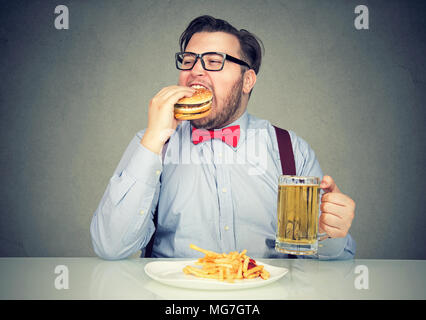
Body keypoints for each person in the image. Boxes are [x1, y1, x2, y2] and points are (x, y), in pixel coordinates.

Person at [90, 15, 356, 260]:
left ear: (247, 80)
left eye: (214, 61)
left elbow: (330, 263)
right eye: (188, 60)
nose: (195, 70)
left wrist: (329, 234)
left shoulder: (290, 149)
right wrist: (152, 141)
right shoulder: (152, 143)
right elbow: (110, 248)